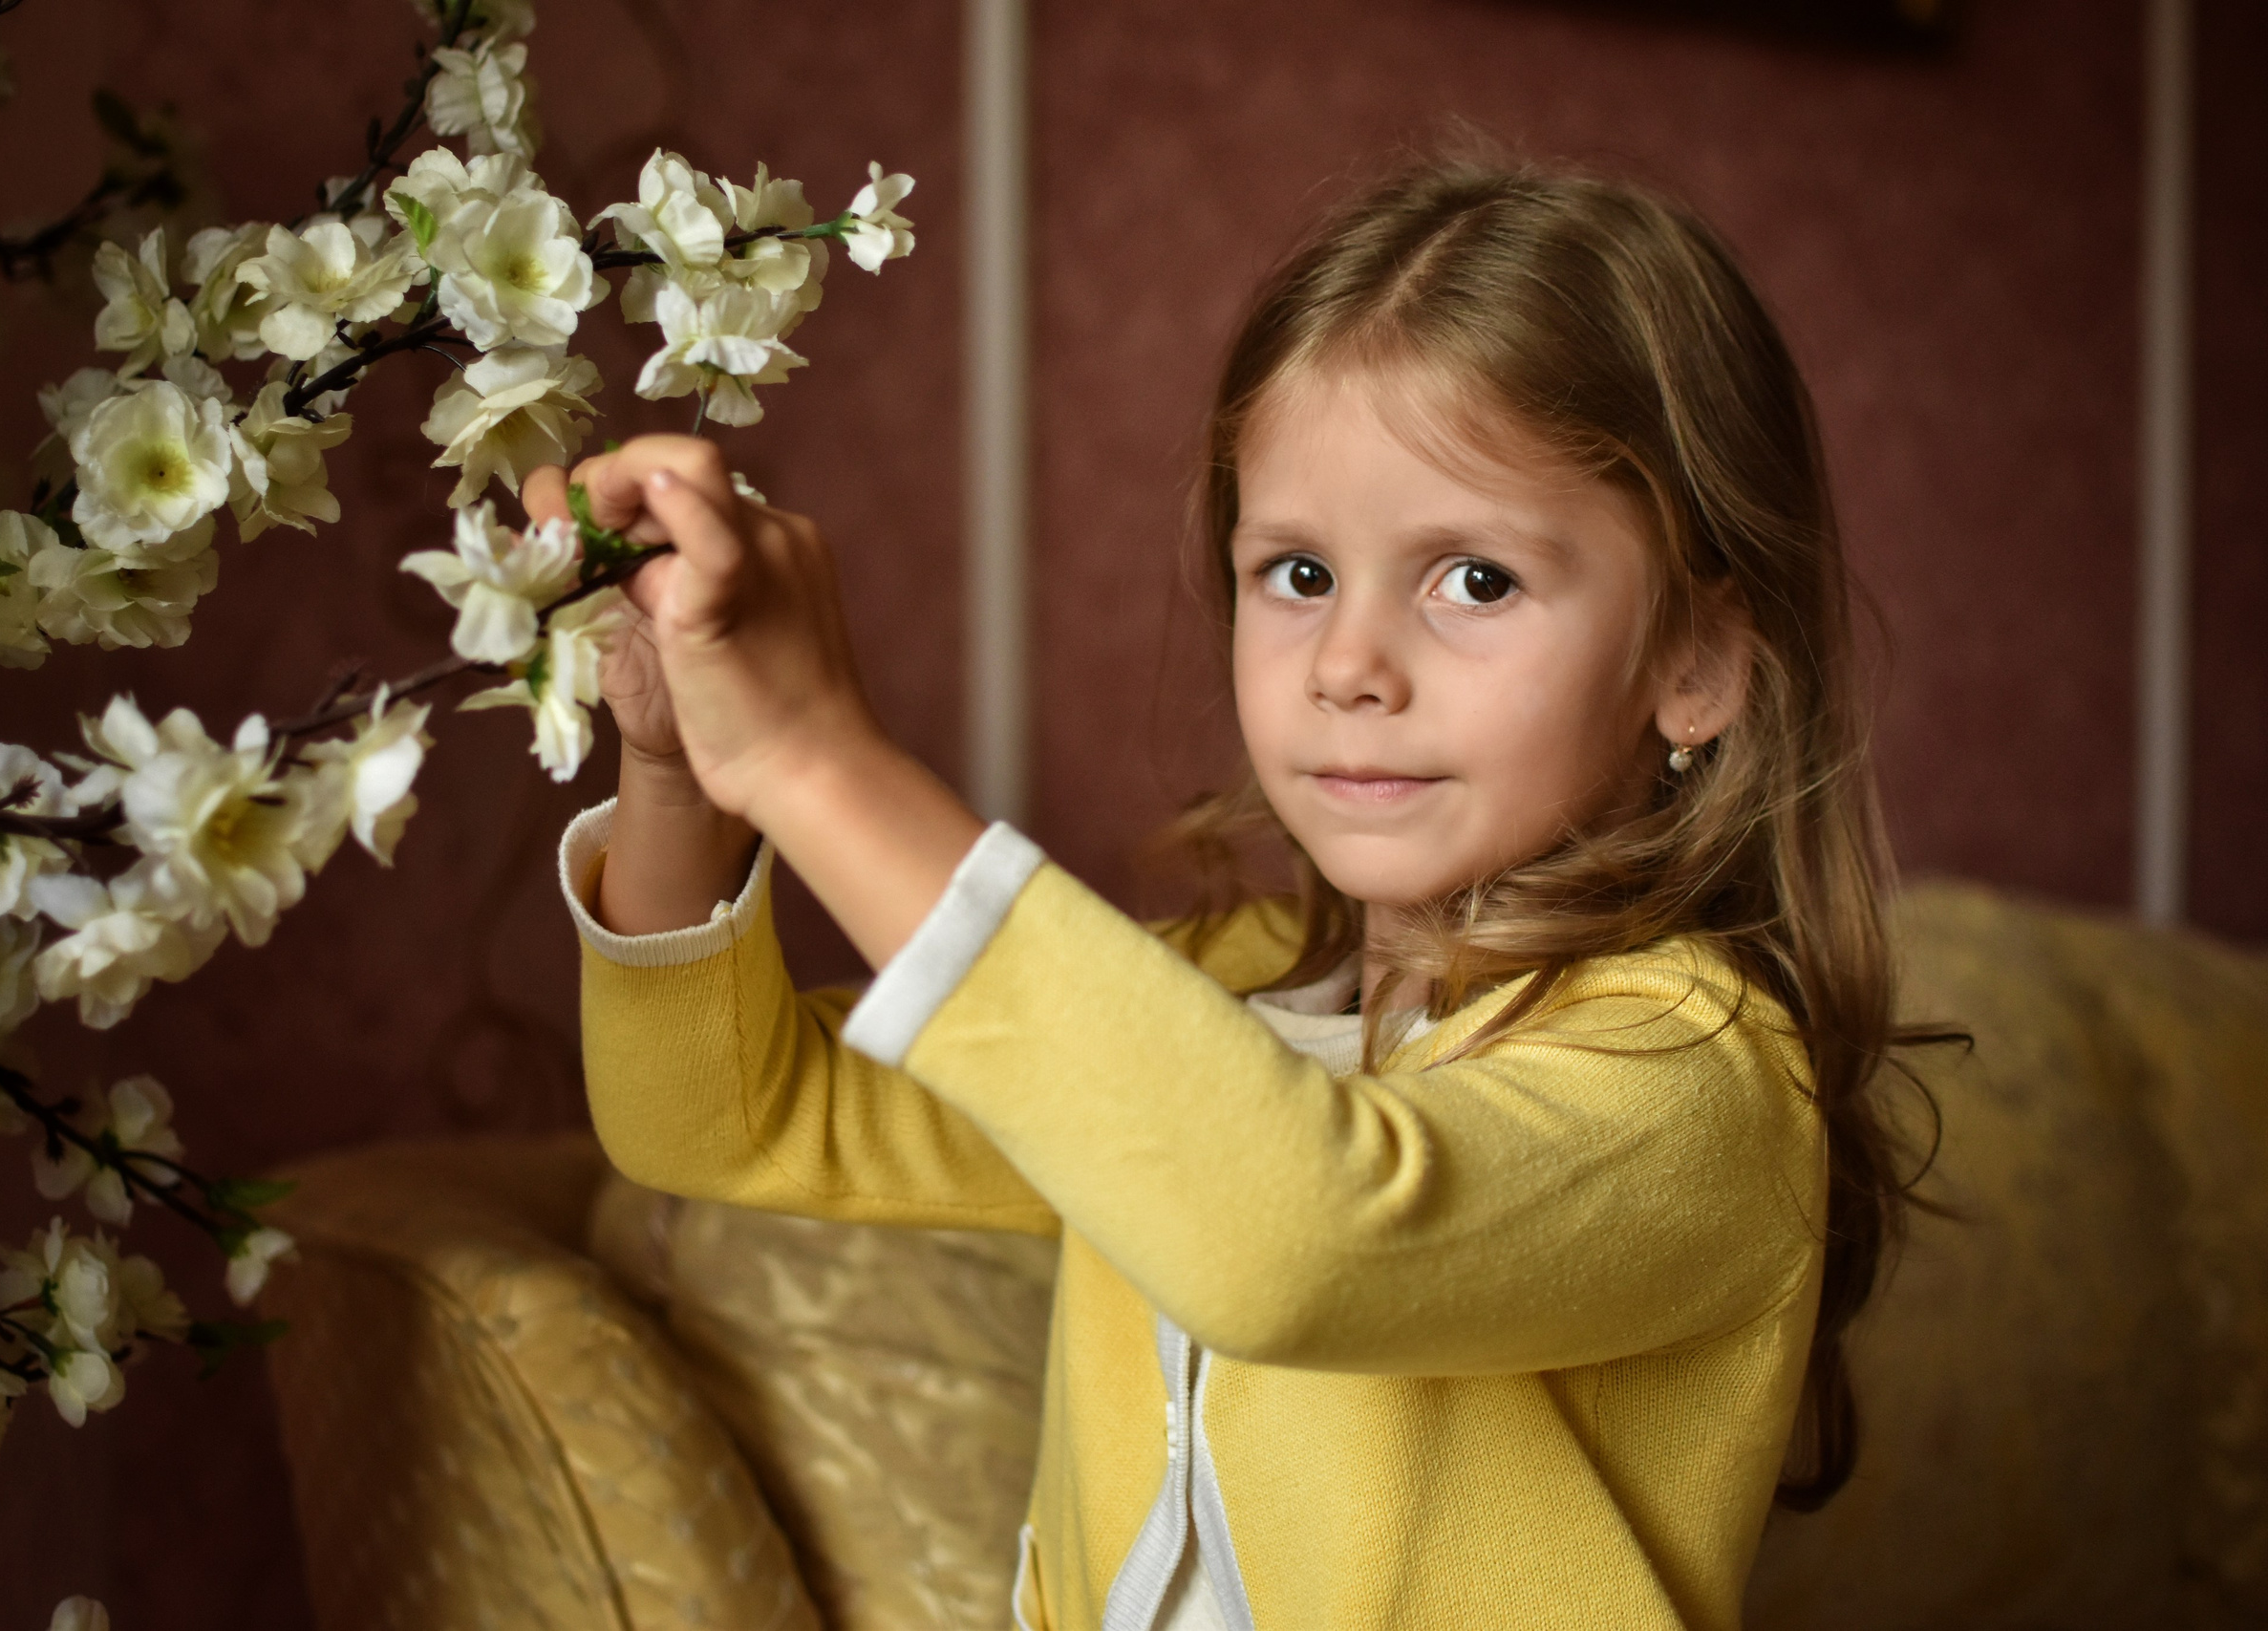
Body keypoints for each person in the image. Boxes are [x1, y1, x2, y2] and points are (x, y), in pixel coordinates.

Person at [524, 158, 1918, 1631]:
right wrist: (683, 767)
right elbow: (722, 1118)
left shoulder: (1699, 1079)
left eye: (1478, 581)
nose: (1348, 666)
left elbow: (1300, 1235)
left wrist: (816, 760)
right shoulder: (1230, 991)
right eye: (1300, 571)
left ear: (1693, 666)